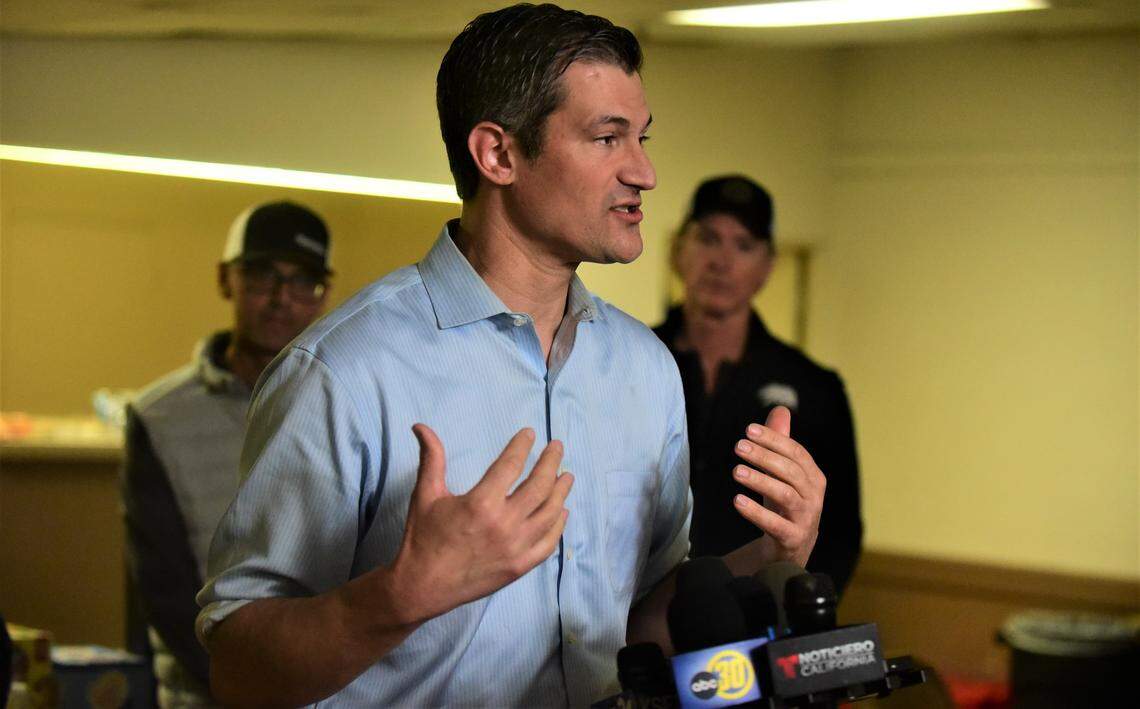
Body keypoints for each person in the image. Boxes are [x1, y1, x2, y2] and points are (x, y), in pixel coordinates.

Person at [197, 5, 826, 707]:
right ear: (497, 154)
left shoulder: (646, 368)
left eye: (641, 137)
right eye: (607, 137)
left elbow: (643, 622)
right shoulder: (343, 370)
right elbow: (236, 668)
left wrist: (767, 553)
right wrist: (399, 596)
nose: (645, 172)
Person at [120, 200, 331, 707]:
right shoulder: (160, 416)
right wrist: (244, 682)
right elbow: (163, 589)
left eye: (303, 280)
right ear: (224, 280)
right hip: (204, 691)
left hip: (324, 684)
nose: (281, 298)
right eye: (261, 276)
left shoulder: (343, 401)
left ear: (324, 295)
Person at [654, 175, 863, 595]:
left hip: (761, 620)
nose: (722, 261)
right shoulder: (629, 362)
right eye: (708, 238)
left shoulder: (815, 388)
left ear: (766, 267)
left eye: (744, 245)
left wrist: (788, 610)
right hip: (636, 620)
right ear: (679, 250)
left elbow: (839, 533)